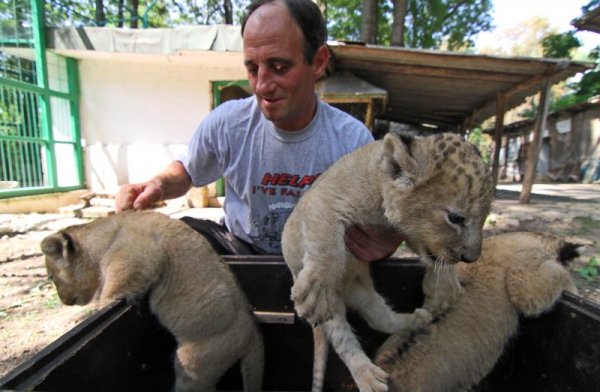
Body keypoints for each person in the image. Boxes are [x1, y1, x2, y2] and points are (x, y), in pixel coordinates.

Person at [115, 0, 403, 260]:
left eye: (279, 67)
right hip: (240, 251)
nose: (262, 85)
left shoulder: (351, 140)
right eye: (253, 68)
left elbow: (386, 214)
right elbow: (188, 170)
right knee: (175, 237)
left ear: (317, 63)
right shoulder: (227, 124)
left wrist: (388, 238)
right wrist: (159, 185)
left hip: (317, 263)